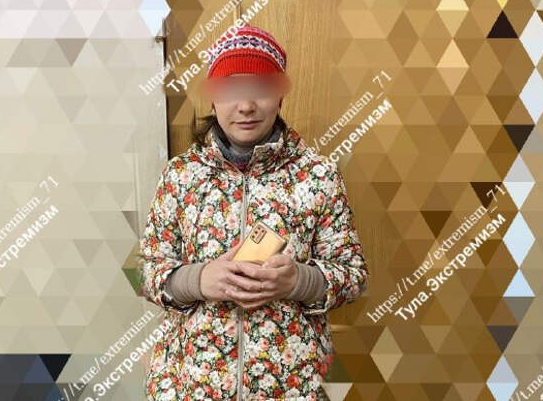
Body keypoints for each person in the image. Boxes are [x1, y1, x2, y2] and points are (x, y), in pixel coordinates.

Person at [138, 24, 370, 400]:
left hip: (292, 388)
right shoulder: (179, 175)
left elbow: (354, 277)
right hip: (192, 386)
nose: (245, 105)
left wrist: (297, 281)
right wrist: (198, 279)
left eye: (261, 87)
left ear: (279, 96)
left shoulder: (319, 175)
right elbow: (144, 272)